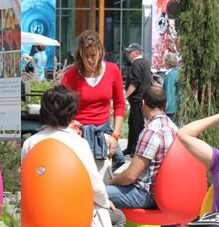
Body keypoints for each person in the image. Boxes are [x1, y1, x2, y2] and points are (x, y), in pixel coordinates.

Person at [21, 85, 126, 227]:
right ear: (72, 112)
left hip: (35, 219)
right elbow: (95, 184)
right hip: (73, 220)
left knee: (48, 209)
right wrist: (105, 203)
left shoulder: (31, 143)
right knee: (118, 218)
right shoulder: (78, 143)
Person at [61, 30, 127, 175]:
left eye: (93, 55)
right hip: (77, 136)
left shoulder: (112, 70)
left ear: (100, 52)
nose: (90, 60)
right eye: (86, 56)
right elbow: (61, 108)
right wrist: (71, 123)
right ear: (80, 55)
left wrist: (115, 135)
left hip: (103, 135)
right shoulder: (70, 76)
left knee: (102, 184)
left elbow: (119, 104)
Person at [107, 85, 177, 209]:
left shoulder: (151, 131)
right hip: (168, 193)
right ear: (165, 105)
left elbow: (131, 175)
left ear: (143, 103)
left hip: (146, 194)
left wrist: (111, 181)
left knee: (96, 193)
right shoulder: (173, 128)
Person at [124, 43, 152, 157]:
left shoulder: (136, 64)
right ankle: (131, 148)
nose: (128, 55)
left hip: (137, 100)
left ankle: (136, 150)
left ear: (135, 52)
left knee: (137, 125)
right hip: (141, 99)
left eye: (130, 52)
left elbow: (135, 82)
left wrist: (125, 96)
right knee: (132, 124)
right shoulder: (145, 62)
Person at [162, 52, 180, 121]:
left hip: (171, 109)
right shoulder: (177, 72)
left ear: (167, 62)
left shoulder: (170, 75)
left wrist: (165, 107)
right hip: (177, 107)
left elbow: (169, 92)